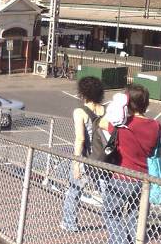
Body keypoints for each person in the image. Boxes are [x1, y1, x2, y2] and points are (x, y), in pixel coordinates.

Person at [100, 85, 161, 244]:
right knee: (135, 218)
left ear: (127, 103)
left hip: (122, 177)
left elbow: (103, 122)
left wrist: (117, 105)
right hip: (144, 179)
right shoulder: (155, 125)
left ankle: (119, 241)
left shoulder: (123, 124)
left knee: (111, 212)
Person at [61, 76, 105, 232]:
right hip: (103, 160)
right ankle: (114, 225)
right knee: (107, 196)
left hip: (86, 158)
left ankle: (69, 223)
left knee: (74, 191)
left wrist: (76, 163)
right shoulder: (105, 110)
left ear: (82, 93)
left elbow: (80, 138)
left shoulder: (79, 112)